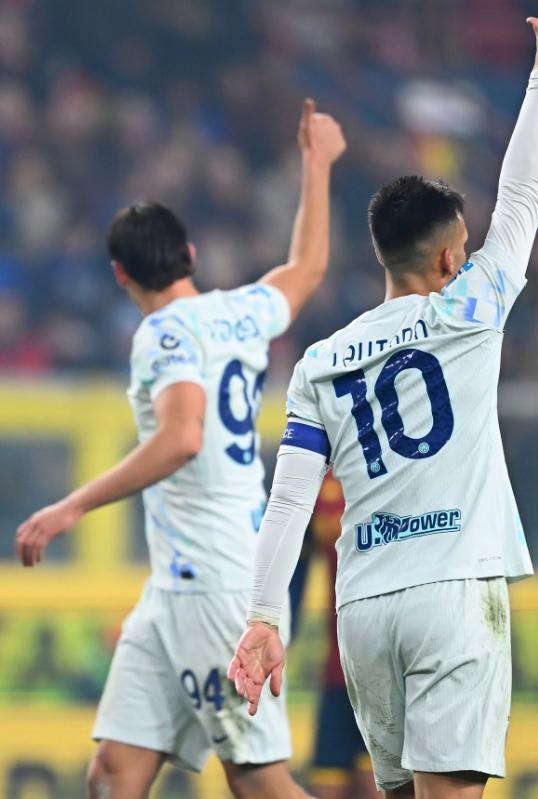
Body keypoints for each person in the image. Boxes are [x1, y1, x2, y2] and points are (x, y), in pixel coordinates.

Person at [228, 17, 538, 799]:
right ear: (452, 256)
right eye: (465, 248)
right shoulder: (472, 307)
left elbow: (287, 501)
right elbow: (525, 194)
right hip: (452, 593)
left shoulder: (322, 361)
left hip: (363, 612)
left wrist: (263, 617)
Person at [15, 99, 345, 799]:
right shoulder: (240, 310)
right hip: (175, 586)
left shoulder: (163, 334)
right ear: (189, 256)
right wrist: (317, 164)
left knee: (258, 782)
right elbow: (307, 268)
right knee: (113, 771)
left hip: (216, 584)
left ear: (120, 274)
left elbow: (182, 436)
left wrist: (73, 505)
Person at [307, 473, 378, 799]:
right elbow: (294, 566)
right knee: (326, 787)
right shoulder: (314, 474)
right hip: (336, 668)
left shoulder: (396, 462)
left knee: (377, 786)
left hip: (384, 664)